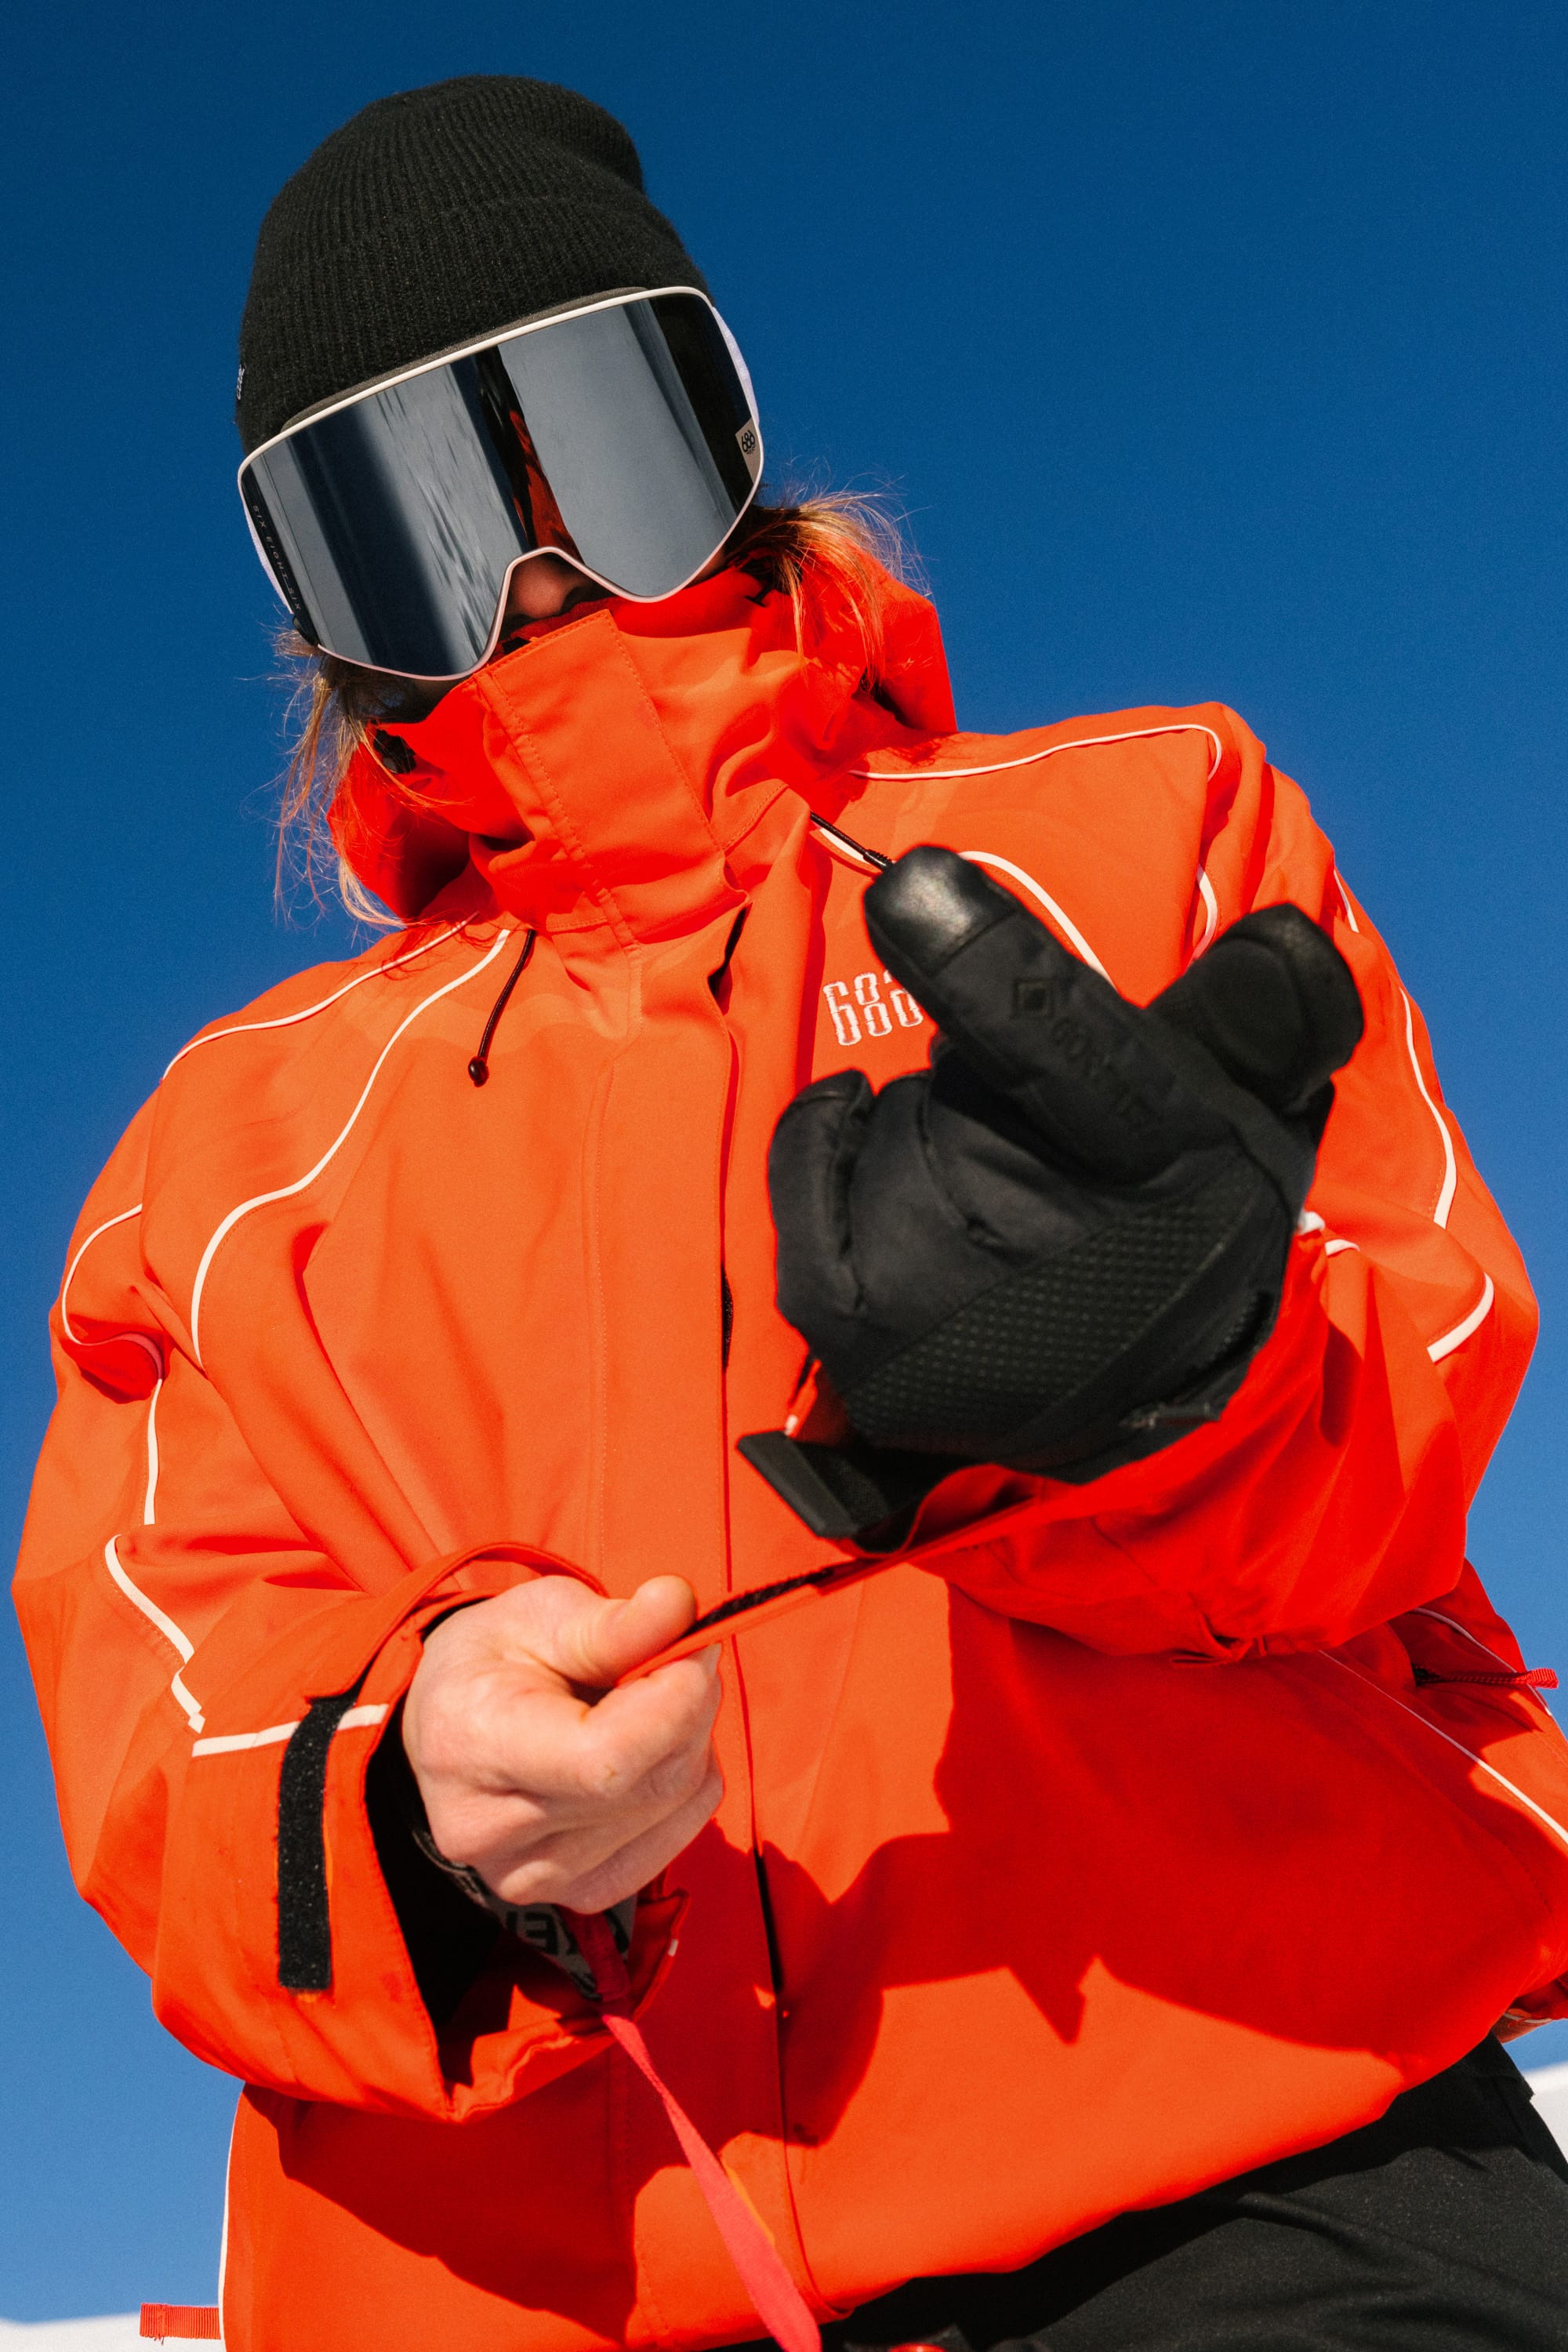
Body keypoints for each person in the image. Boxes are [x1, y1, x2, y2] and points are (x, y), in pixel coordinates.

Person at [16, 72, 1568, 2352]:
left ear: (729, 432)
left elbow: (1402, 1382)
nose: (537, 566)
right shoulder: (235, 1146)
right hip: (528, 2277)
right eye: (406, 512)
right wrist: (416, 1785)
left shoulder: (1132, 838)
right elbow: (167, 1695)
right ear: (315, 613)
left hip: (1259, 2150)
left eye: (604, 436)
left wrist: (1154, 1387)